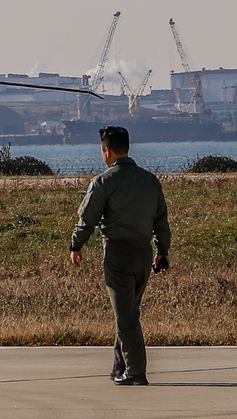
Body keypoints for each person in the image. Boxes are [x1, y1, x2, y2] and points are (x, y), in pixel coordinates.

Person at [69, 125, 171, 386]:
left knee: (125, 316)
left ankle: (136, 370)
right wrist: (162, 251)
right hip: (144, 252)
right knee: (128, 311)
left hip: (118, 252)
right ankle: (119, 366)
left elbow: (88, 218)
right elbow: (161, 220)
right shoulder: (150, 180)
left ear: (107, 150)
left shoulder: (103, 181)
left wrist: (76, 244)